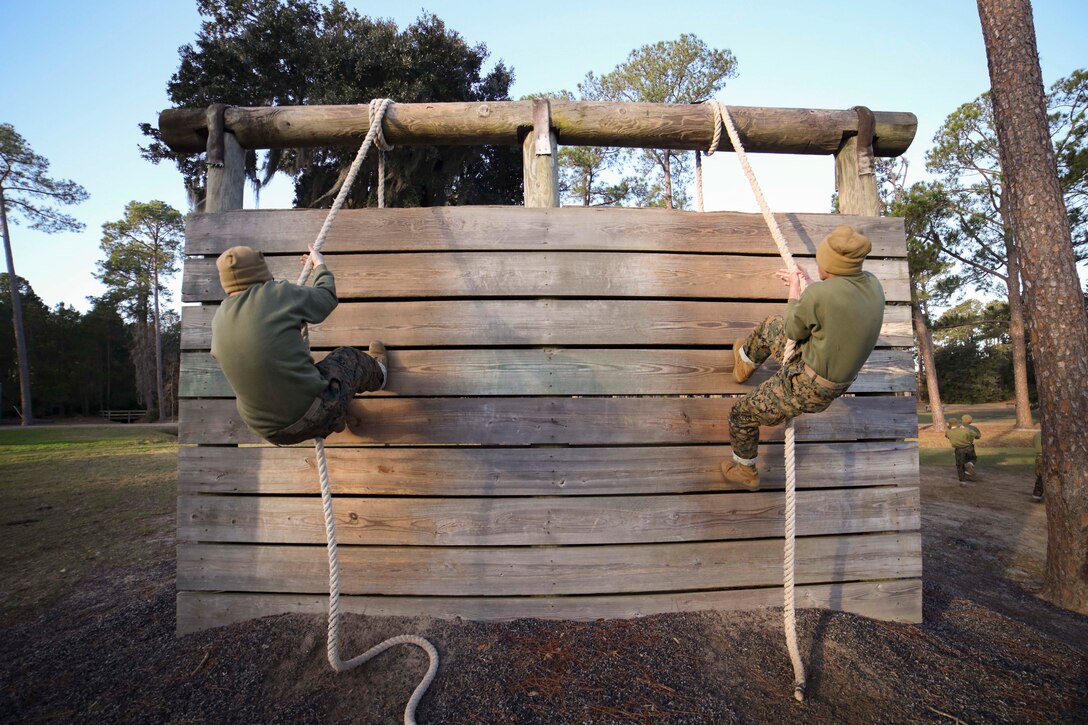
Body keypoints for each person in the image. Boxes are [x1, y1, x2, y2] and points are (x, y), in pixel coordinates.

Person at [721, 225, 886, 490]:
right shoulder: (873, 285)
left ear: (829, 267)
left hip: (808, 386)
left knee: (741, 414)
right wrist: (812, 285)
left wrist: (797, 289)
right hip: (830, 372)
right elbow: (838, 306)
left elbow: (792, 330)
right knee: (769, 325)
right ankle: (744, 363)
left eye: (820, 262)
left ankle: (745, 471)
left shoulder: (819, 295)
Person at [211, 244, 387, 445]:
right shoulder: (277, 294)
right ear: (259, 269)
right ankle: (379, 375)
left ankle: (334, 416)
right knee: (348, 357)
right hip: (311, 416)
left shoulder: (219, 318)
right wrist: (319, 266)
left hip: (268, 432)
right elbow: (326, 298)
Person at [944, 417, 980, 485]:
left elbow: (947, 435)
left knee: (959, 465)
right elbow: (976, 435)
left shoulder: (948, 432)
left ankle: (962, 481)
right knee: (973, 458)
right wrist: (965, 429)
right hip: (969, 448)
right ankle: (970, 464)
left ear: (949, 424)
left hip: (959, 449)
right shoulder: (965, 430)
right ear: (957, 423)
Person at [1032, 429, 1044, 502]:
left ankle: (1037, 493)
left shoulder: (1037, 434)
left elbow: (1034, 445)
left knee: (1040, 475)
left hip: (1038, 456)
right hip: (1046, 456)